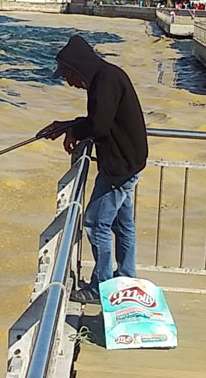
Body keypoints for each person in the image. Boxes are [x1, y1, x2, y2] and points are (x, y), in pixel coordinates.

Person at [40, 35, 148, 304]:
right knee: (123, 225)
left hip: (119, 167)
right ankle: (126, 277)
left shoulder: (104, 80)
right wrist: (68, 126)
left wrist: (73, 129)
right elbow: (99, 120)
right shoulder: (105, 76)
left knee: (95, 222)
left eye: (67, 75)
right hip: (128, 162)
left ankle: (100, 287)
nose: (67, 81)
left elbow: (98, 126)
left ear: (77, 69)